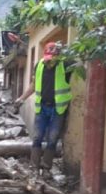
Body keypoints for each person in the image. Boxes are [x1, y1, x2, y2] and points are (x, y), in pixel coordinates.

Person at [14, 41, 76, 171]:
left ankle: (46, 168)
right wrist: (22, 98)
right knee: (37, 137)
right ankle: (33, 167)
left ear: (58, 57)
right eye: (48, 59)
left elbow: (78, 60)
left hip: (58, 109)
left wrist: (65, 49)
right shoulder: (39, 65)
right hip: (42, 107)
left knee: (52, 139)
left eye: (53, 59)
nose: (50, 62)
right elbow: (34, 84)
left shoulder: (65, 65)